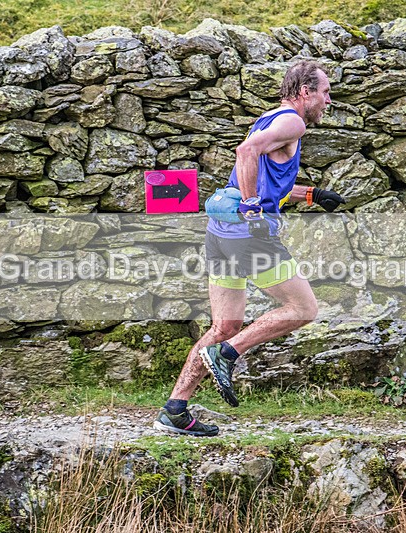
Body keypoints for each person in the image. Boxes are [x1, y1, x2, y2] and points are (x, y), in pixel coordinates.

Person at [153, 61, 346, 437]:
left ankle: (175, 409)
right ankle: (226, 355)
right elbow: (246, 154)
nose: (328, 100)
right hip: (247, 235)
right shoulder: (294, 121)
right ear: (304, 92)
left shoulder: (269, 117)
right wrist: (255, 210)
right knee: (302, 308)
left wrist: (312, 194)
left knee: (224, 325)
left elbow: (265, 174)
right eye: (325, 92)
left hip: (220, 233)